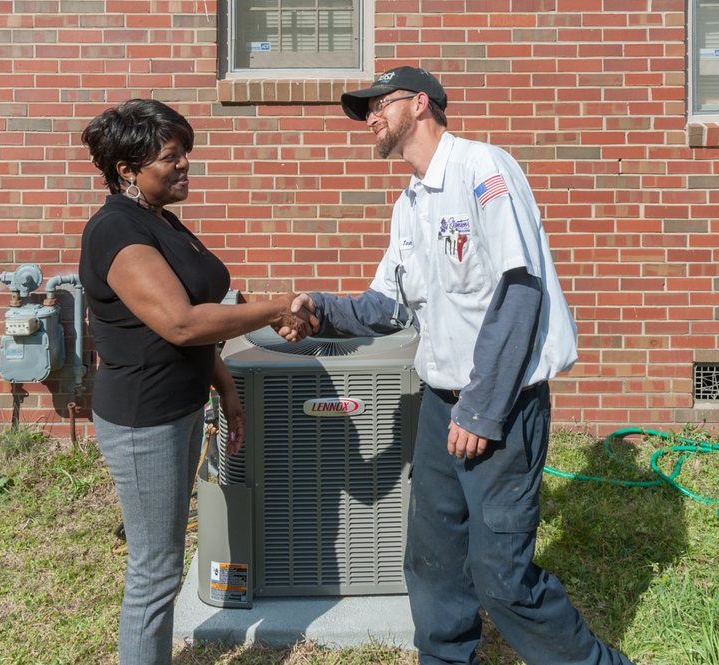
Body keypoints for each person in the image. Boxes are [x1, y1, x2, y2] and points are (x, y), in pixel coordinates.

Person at [285, 67, 633, 665]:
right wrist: (319, 309)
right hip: (440, 403)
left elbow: (520, 291)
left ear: (420, 104)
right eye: (363, 109)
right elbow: (388, 304)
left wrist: (481, 407)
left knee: (501, 578)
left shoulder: (483, 170)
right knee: (434, 561)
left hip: (499, 404)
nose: (368, 117)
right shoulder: (410, 202)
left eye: (378, 104)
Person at [78, 98, 315, 665]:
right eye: (170, 157)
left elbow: (194, 315)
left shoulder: (158, 219)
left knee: (161, 561)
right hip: (143, 419)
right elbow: (181, 323)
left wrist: (225, 385)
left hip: (179, 407)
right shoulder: (116, 230)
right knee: (155, 575)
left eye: (185, 154)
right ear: (127, 170)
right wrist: (274, 307)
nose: (185, 165)